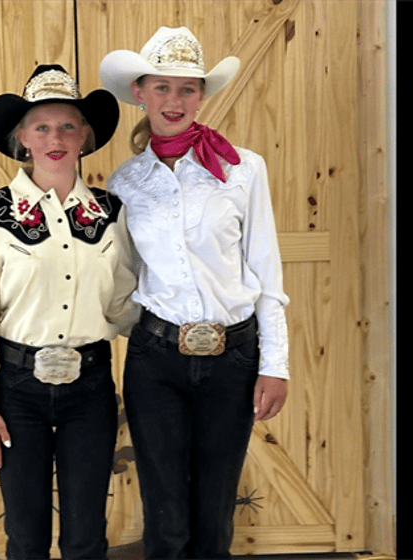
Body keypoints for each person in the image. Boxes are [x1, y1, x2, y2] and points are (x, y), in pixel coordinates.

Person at [98, 27, 291, 559]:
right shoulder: (124, 183)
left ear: (202, 95)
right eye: (162, 87)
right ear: (140, 92)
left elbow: (266, 271)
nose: (174, 100)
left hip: (234, 358)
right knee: (164, 517)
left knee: (214, 516)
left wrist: (276, 364)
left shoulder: (243, 169)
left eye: (187, 88)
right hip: (156, 360)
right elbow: (122, 275)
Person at [0, 64, 140, 560]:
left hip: (91, 388)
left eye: (67, 126)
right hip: (17, 390)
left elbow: (123, 303)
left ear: (85, 136)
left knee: (87, 534)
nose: (54, 138)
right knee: (26, 533)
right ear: (22, 138)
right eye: (41, 127)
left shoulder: (111, 213)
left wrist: (175, 335)